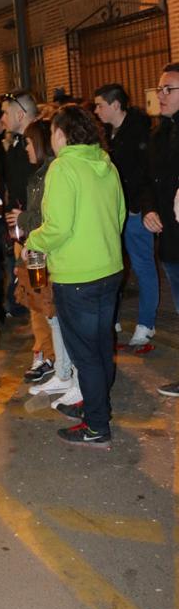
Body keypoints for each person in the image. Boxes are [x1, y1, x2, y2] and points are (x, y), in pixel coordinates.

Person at [25, 106, 125, 448]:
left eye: (53, 131)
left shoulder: (63, 167)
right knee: (101, 349)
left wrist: (32, 241)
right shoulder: (106, 165)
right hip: (109, 270)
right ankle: (97, 407)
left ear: (61, 134)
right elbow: (120, 215)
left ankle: (97, 425)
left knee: (86, 355)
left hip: (77, 277)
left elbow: (57, 227)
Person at [6, 120, 82, 410]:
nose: (25, 148)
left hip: (48, 252)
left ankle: (69, 375)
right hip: (38, 250)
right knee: (50, 314)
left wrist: (23, 220)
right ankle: (63, 373)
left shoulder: (55, 172)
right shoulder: (41, 173)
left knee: (58, 315)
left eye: (28, 142)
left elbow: (50, 220)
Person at [94, 82, 157, 347]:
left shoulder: (139, 133)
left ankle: (146, 323)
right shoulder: (106, 134)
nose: (96, 111)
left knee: (143, 267)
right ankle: (113, 318)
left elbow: (147, 175)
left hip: (135, 212)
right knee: (113, 268)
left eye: (100, 105)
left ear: (115, 105)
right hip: (113, 213)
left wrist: (145, 207)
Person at [141, 63, 179, 397]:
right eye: (160, 90)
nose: (161, 96)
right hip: (169, 239)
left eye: (169, 89)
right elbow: (147, 181)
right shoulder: (156, 135)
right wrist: (149, 209)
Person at [1, 90, 38, 325]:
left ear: (20, 114)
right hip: (20, 231)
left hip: (36, 233)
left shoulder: (38, 145)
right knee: (29, 290)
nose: (2, 118)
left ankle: (50, 354)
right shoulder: (16, 145)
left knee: (39, 291)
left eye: (5, 113)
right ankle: (43, 351)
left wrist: (26, 219)